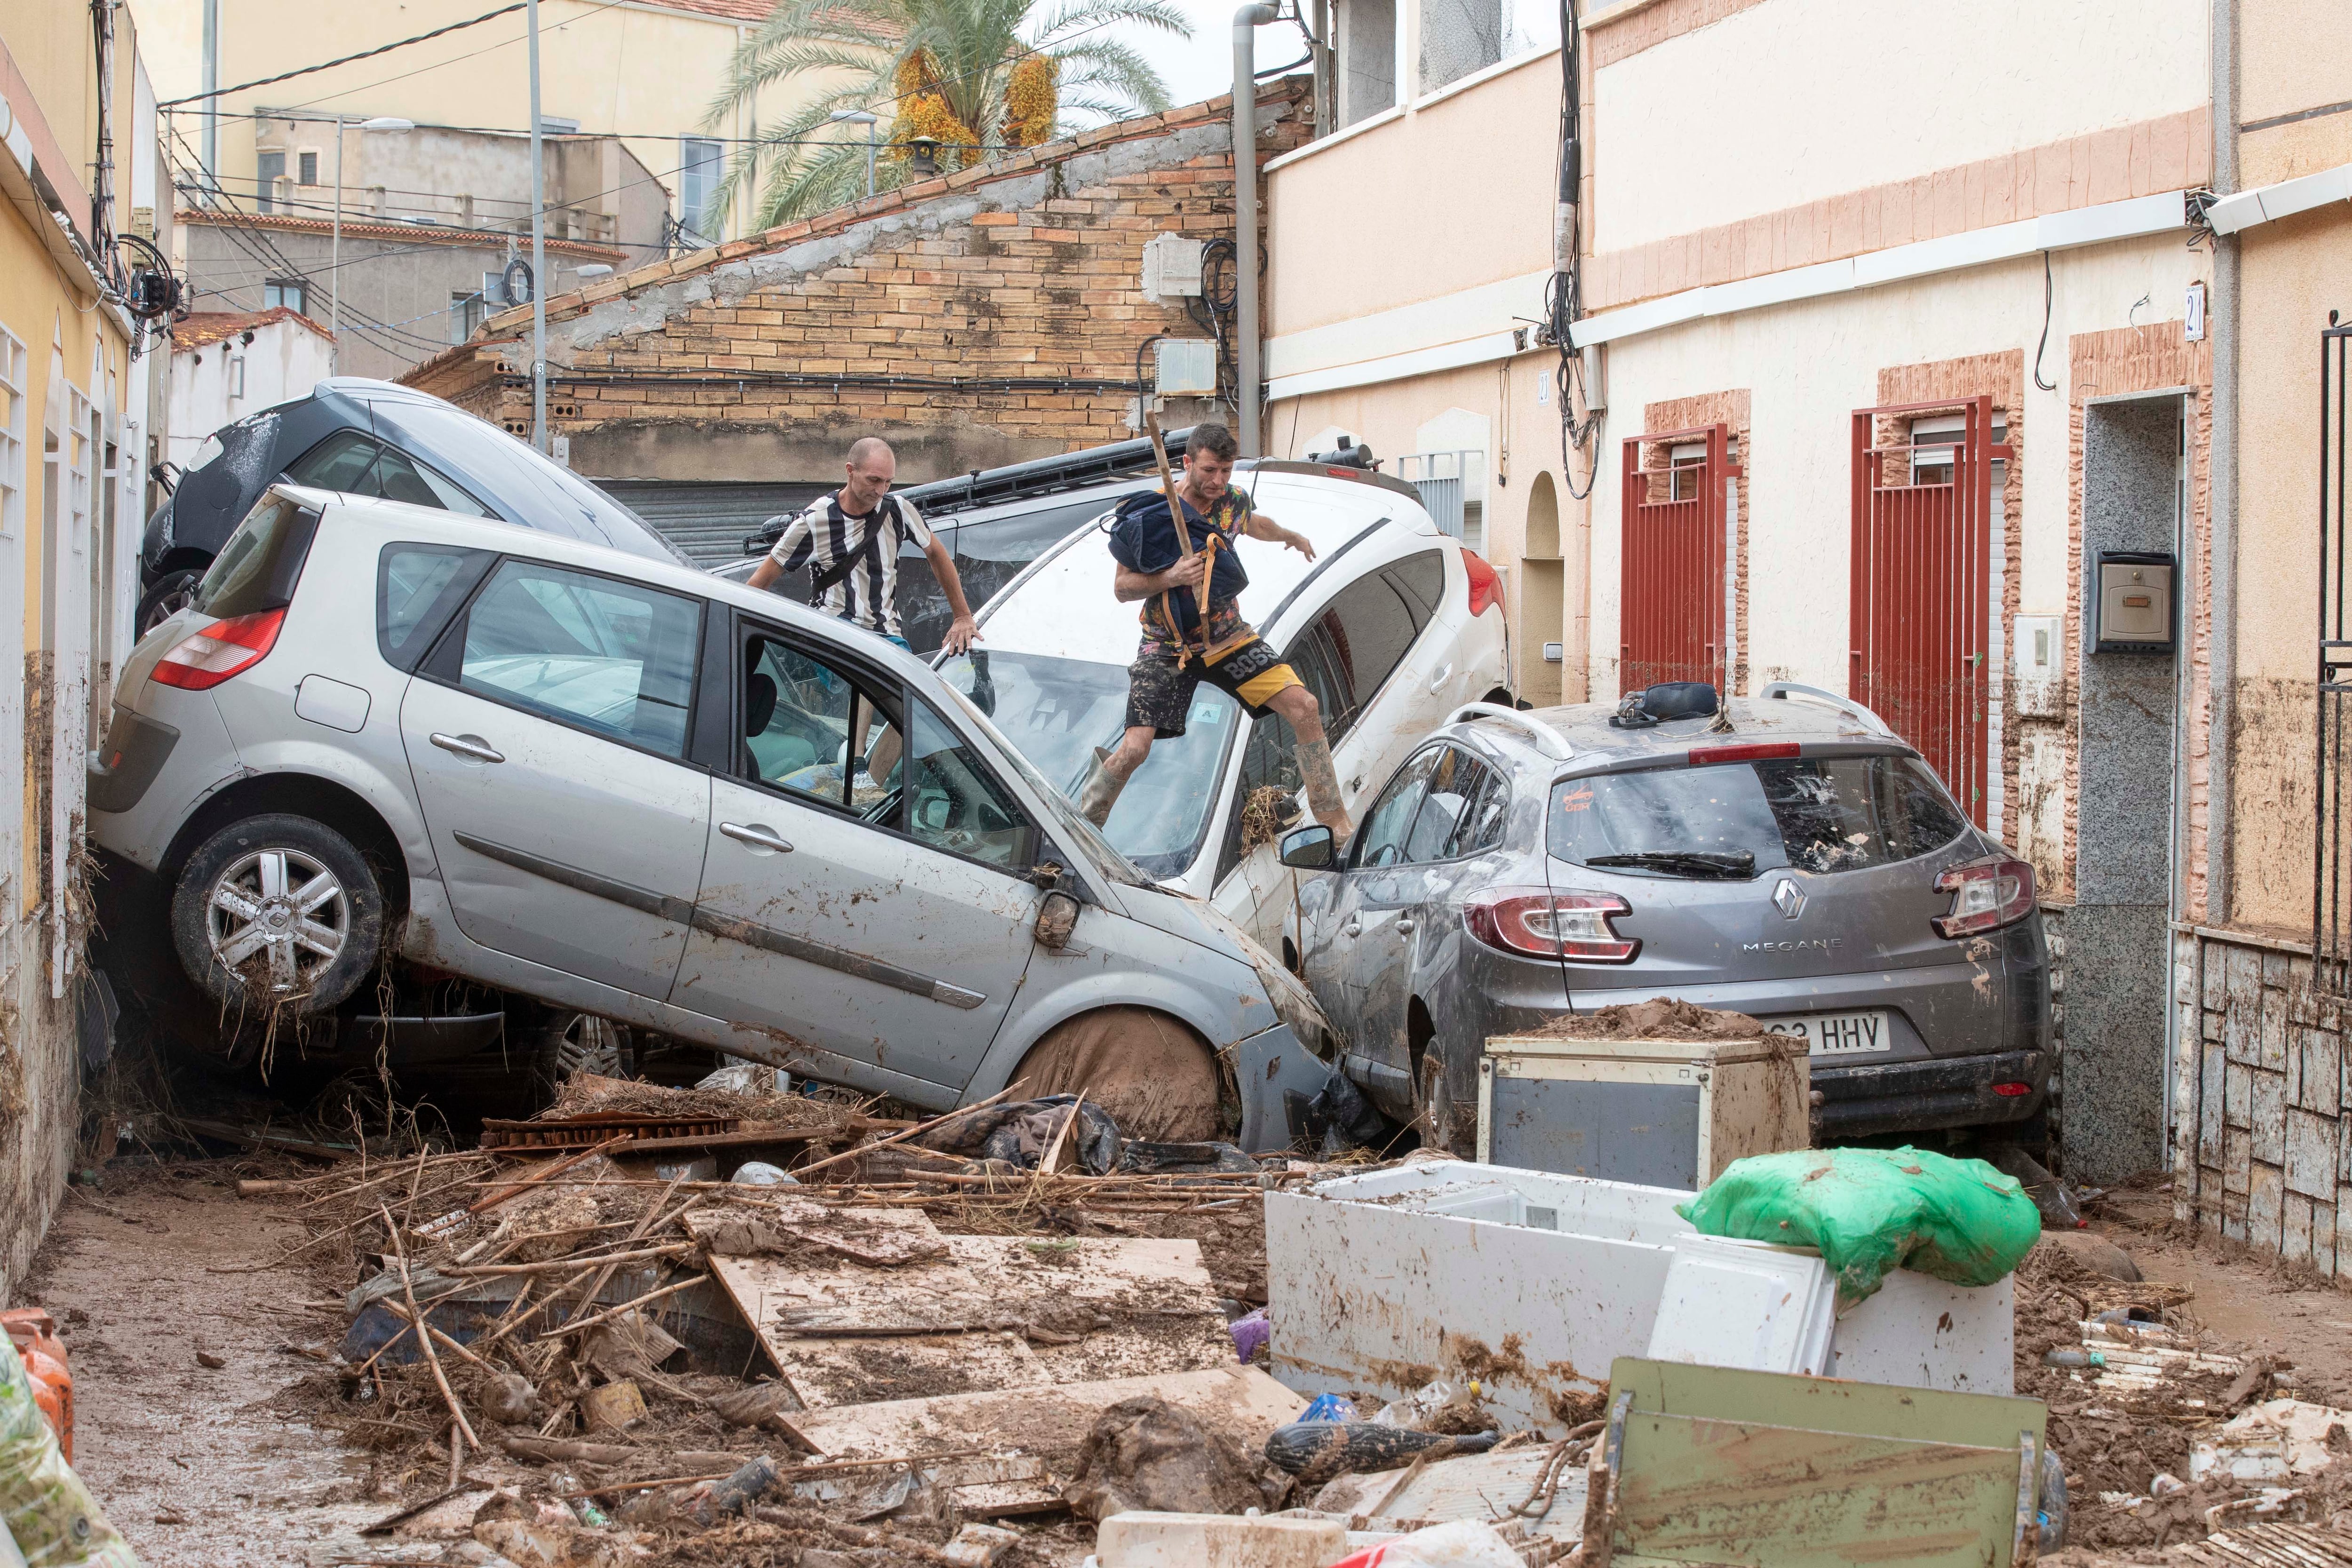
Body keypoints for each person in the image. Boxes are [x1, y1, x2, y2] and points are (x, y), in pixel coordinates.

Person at [1079, 422, 1354, 844]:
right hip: (1166, 644)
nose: (1218, 481)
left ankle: (1334, 823)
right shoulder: (1151, 516)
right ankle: (1082, 827)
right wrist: (1170, 576)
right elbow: (1122, 589)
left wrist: (1292, 536)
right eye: (1210, 470)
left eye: (1226, 471)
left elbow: (1256, 524)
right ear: (1187, 463)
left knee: (1305, 706)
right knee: (1134, 749)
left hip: (1227, 637)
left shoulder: (1231, 502)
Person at [748, 435, 979, 655]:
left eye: (888, 482)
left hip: (887, 636)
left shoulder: (898, 509)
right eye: (874, 480)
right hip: (834, 634)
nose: (880, 490)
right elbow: (757, 585)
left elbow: (936, 552)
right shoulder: (814, 521)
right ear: (850, 471)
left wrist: (962, 616)